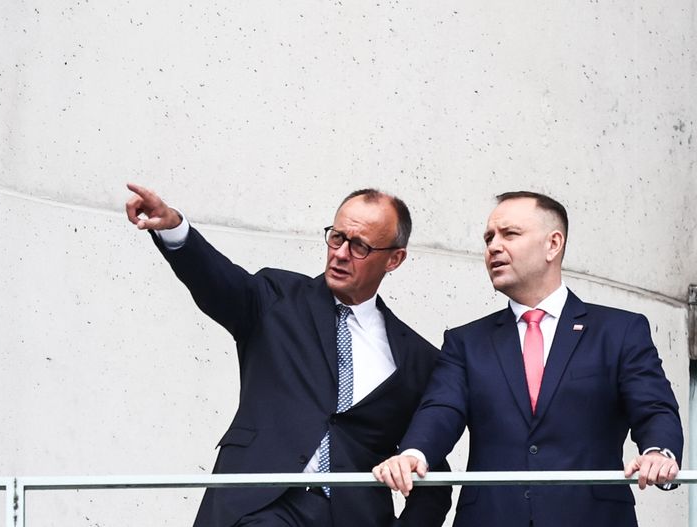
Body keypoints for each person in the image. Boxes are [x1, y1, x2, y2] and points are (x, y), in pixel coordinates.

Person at [125, 183, 451, 527]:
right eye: (337, 237)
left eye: (359, 246)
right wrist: (174, 228)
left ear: (394, 259)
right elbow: (218, 282)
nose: (341, 254)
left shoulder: (417, 359)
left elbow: (431, 465)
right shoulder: (276, 299)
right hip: (258, 507)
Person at [372, 191, 683, 527]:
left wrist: (658, 453)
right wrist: (414, 454)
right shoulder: (466, 342)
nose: (493, 246)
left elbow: (654, 407)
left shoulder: (619, 331)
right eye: (489, 238)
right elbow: (442, 409)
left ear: (553, 244)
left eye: (510, 234)